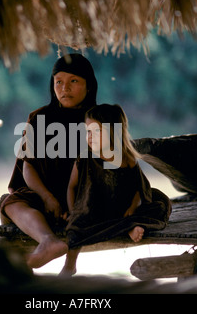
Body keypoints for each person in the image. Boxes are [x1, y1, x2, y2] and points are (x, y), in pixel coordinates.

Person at [0, 53, 98, 269]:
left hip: (86, 198)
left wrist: (75, 203)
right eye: (58, 82)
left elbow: (108, 170)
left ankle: (71, 263)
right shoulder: (40, 118)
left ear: (89, 86)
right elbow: (28, 166)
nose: (65, 88)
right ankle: (48, 240)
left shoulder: (99, 119)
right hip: (46, 199)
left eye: (74, 81)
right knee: (11, 203)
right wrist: (47, 197)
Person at [60, 104, 172, 276]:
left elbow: (139, 188)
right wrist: (72, 210)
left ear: (113, 132)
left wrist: (133, 207)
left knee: (159, 202)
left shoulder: (126, 158)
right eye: (88, 131)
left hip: (121, 208)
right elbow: (71, 187)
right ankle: (70, 264)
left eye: (97, 132)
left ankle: (130, 225)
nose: (90, 137)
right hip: (92, 208)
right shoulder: (85, 158)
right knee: (75, 228)